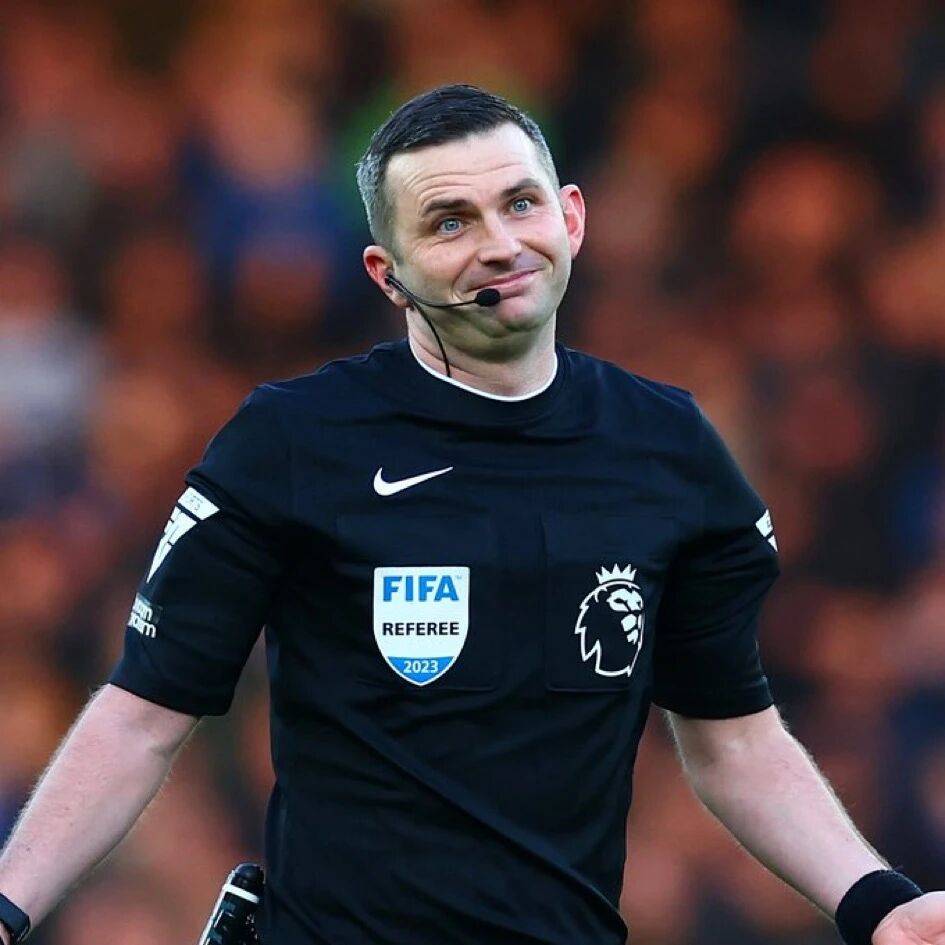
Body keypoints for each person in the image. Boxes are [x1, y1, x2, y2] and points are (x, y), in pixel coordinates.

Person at [0, 83, 941, 945]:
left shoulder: (669, 449)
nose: (498, 242)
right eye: (449, 221)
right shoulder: (291, 440)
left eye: (520, 203)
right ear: (387, 272)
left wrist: (876, 900)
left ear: (571, 217)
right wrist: (8, 905)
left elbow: (733, 740)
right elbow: (142, 716)